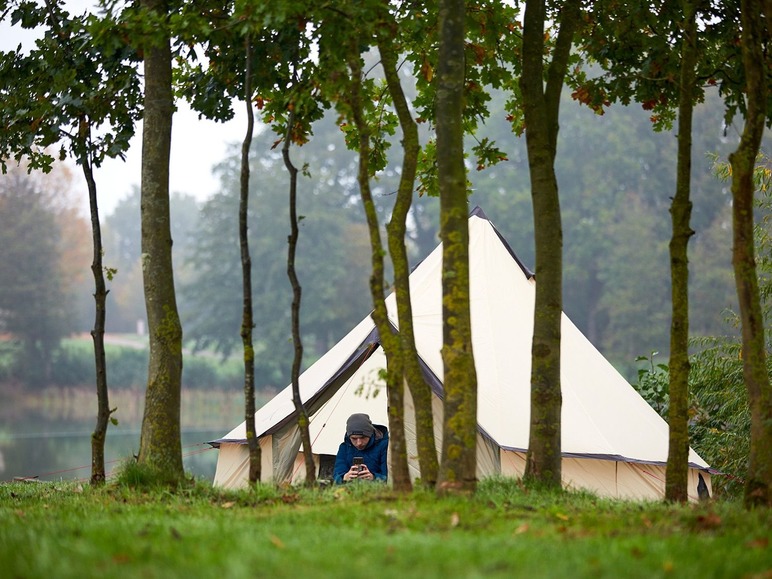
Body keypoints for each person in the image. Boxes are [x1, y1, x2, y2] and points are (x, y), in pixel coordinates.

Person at [333, 413, 388, 484]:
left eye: (363, 437)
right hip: (350, 490)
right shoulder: (344, 448)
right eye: (354, 438)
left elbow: (390, 477)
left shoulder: (384, 446)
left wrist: (373, 477)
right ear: (349, 437)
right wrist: (344, 477)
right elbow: (337, 474)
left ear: (370, 434)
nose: (359, 443)